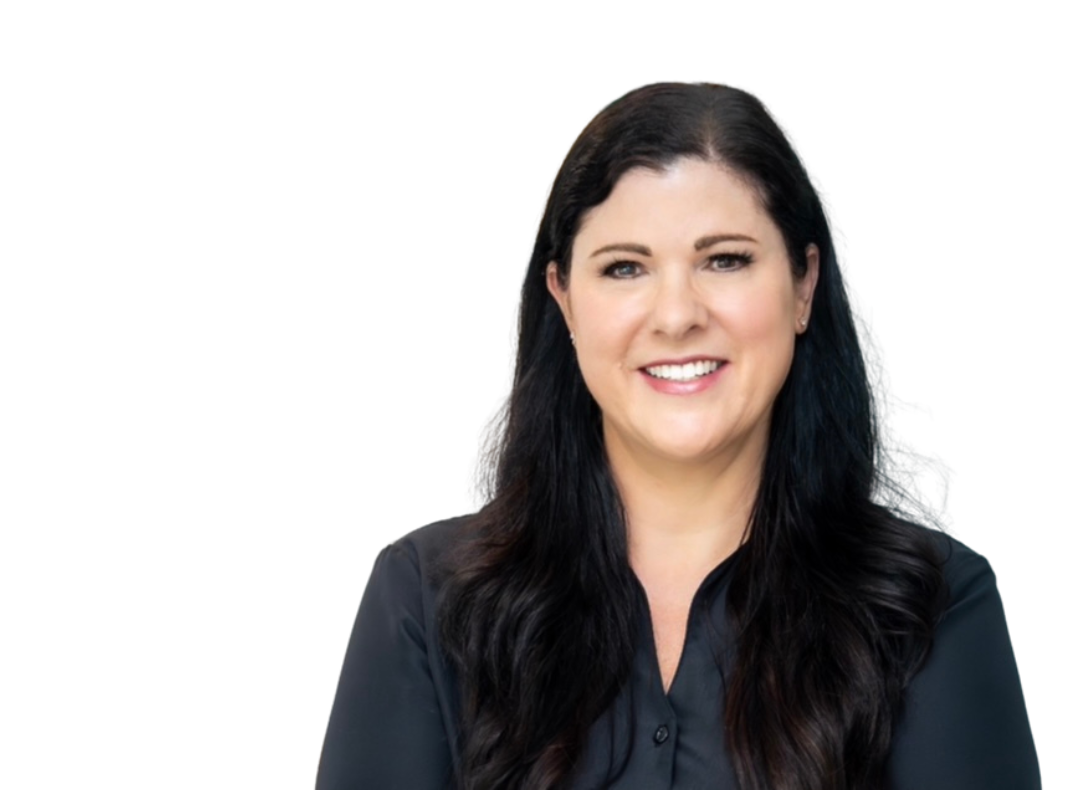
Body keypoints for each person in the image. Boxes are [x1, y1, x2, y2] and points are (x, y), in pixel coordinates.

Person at [316, 83, 1040, 790]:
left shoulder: (932, 605)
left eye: (725, 260)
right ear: (564, 300)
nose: (675, 315)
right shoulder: (427, 601)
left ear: (803, 284)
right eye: (624, 268)